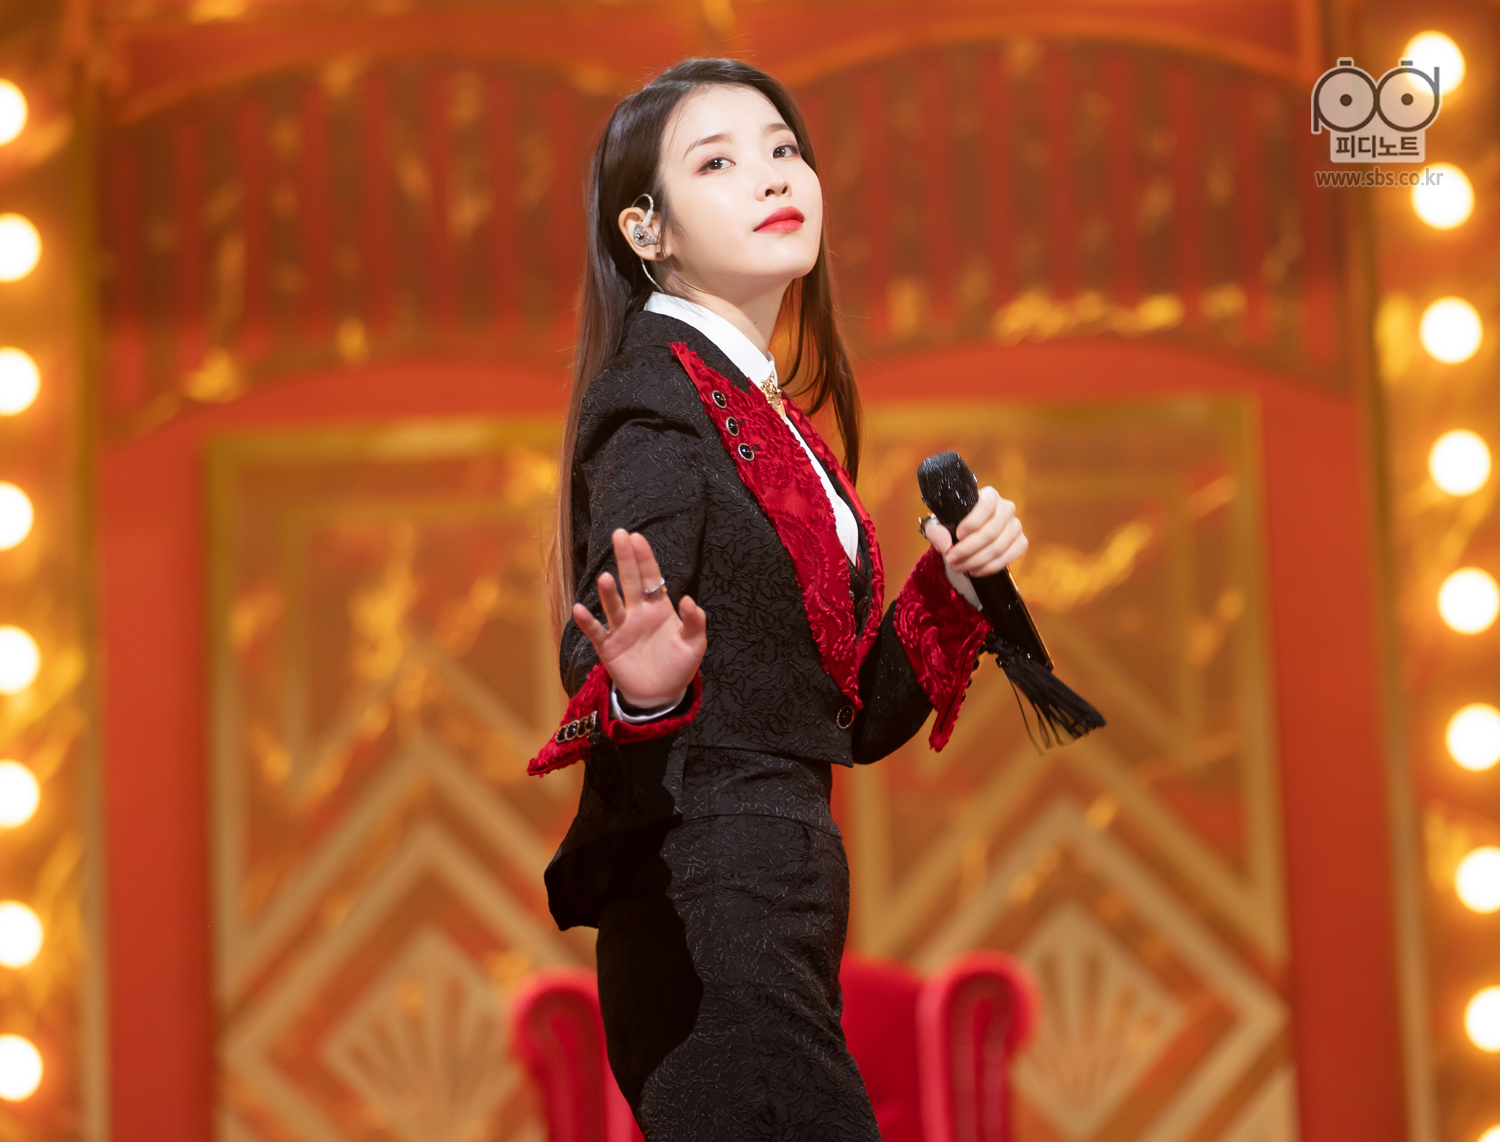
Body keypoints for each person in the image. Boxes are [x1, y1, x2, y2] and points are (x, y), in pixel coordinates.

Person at [528, 58, 1028, 1141]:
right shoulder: (656, 404)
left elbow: (850, 720)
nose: (770, 176)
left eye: (784, 149)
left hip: (775, 909)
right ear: (646, 229)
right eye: (717, 162)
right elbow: (609, 635)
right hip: (707, 918)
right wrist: (644, 687)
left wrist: (954, 584)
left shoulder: (763, 414)